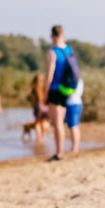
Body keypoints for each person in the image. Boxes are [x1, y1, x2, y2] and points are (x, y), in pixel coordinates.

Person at [43, 24, 75, 161]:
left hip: (55, 89)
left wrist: (45, 91)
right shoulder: (69, 50)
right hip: (67, 89)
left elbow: (50, 74)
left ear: (52, 36)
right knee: (61, 121)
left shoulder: (53, 52)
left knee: (57, 124)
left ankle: (59, 152)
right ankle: (62, 150)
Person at [26, 74, 49, 143]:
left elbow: (32, 99)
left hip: (37, 107)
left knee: (37, 123)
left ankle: (39, 138)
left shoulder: (34, 89)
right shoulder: (44, 87)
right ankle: (42, 137)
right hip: (44, 108)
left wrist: (33, 107)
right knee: (42, 123)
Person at [65, 76, 84, 155]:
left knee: (74, 126)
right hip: (73, 103)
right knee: (72, 126)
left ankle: (75, 148)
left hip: (74, 104)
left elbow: (70, 92)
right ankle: (74, 146)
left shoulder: (75, 80)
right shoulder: (77, 79)